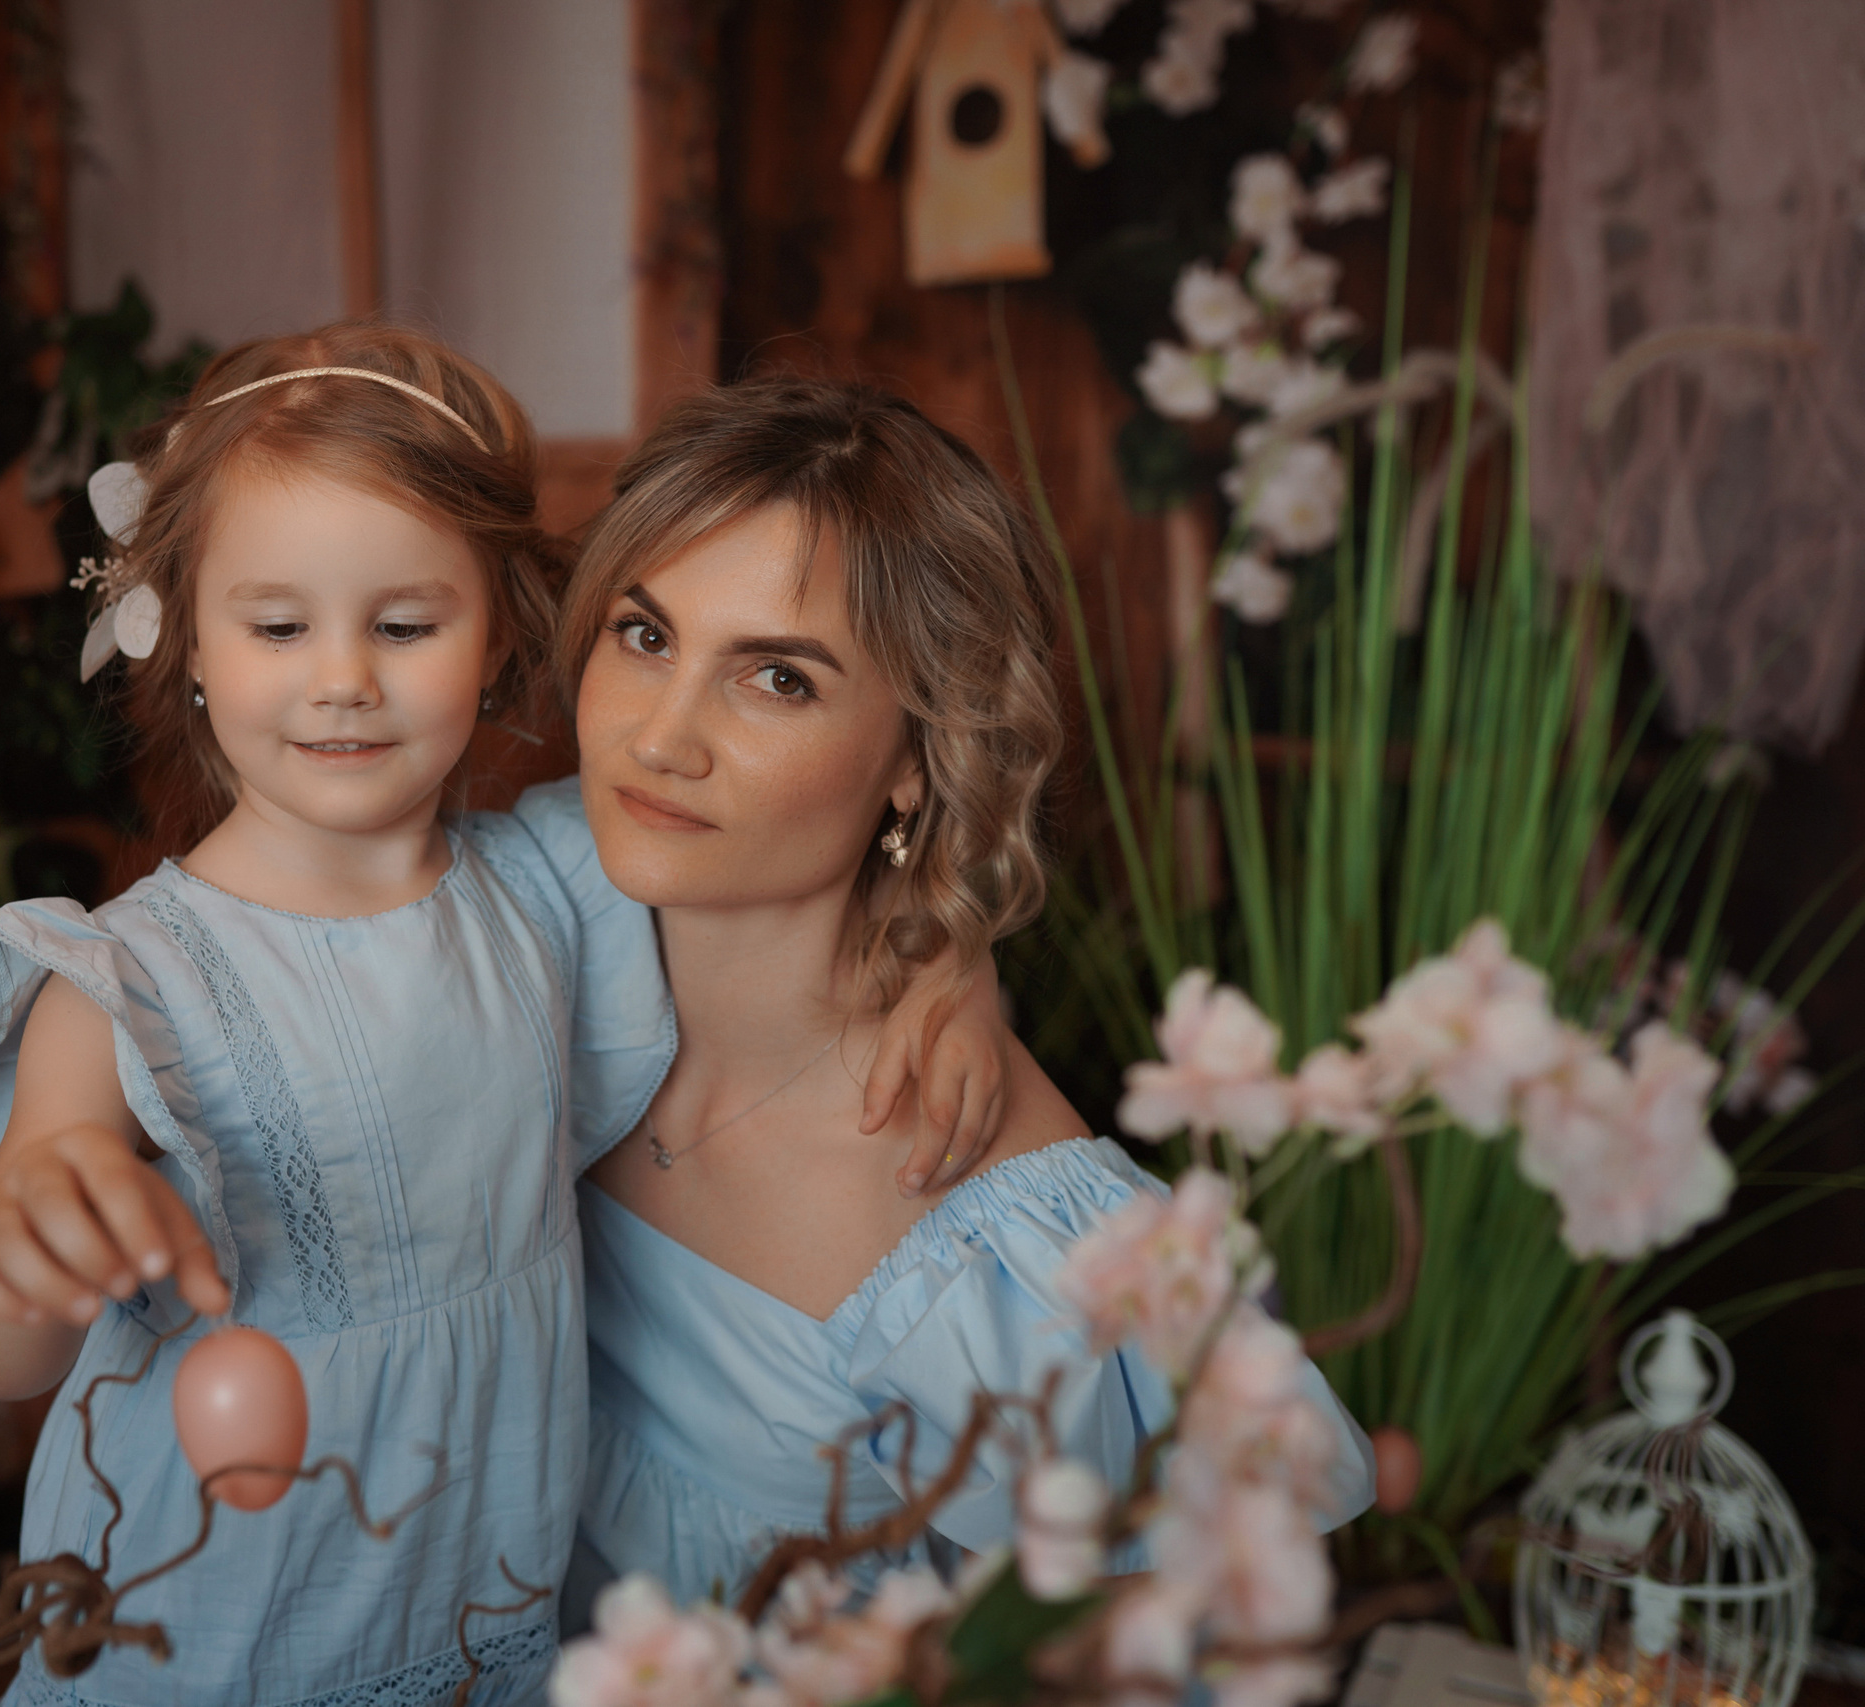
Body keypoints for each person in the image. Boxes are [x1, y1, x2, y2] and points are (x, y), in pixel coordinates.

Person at [0, 326, 1011, 1706]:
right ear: (186, 632)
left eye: (403, 623)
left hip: (478, 1628)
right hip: (211, 1640)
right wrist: (21, 1244)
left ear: (496, 636)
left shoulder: (554, 885)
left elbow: (806, 878)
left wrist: (949, 972)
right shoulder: (127, 982)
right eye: (277, 624)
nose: (341, 678)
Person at [555, 376, 1377, 1610]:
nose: (660, 739)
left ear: (916, 756)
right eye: (645, 634)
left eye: (776, 678)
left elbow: (1153, 1652)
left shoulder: (993, 1242)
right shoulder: (531, 924)